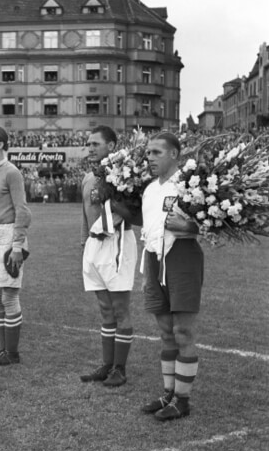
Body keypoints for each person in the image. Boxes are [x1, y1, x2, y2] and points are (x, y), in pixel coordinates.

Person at [141, 132, 203, 421]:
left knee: (183, 331)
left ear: (174, 154)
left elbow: (212, 223)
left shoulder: (191, 185)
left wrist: (192, 227)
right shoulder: (150, 189)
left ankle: (183, 399)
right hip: (154, 260)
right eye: (148, 153)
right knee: (165, 330)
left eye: (156, 152)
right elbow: (148, 230)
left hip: (182, 258)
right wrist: (146, 270)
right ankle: (168, 392)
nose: (149, 158)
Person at [79, 126, 138, 387]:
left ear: (112, 146)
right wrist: (84, 244)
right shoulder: (87, 178)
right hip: (94, 247)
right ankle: (107, 364)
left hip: (117, 244)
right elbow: (85, 216)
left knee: (120, 309)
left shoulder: (125, 176)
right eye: (88, 144)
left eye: (96, 144)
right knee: (105, 309)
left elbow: (134, 215)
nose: (90, 148)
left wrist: (116, 206)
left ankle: (120, 369)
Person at [0, 125, 31, 366]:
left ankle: (12, 353)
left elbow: (22, 210)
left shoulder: (12, 172)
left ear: (0, 144)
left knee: (9, 296)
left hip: (10, 236)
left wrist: (18, 244)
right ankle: (3, 350)